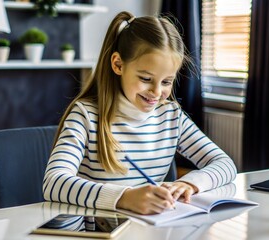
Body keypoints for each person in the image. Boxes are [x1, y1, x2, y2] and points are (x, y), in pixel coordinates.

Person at [43, 11, 237, 215]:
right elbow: (54, 183)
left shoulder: (171, 116)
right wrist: (124, 198)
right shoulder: (85, 116)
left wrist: (191, 183)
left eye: (166, 82)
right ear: (118, 64)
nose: (156, 92)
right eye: (145, 79)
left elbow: (225, 164)